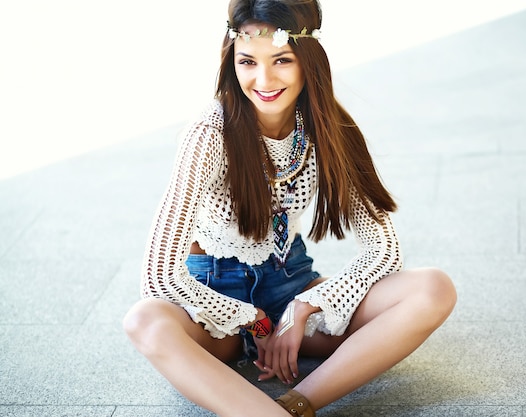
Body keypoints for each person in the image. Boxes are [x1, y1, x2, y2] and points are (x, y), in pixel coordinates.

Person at [123, 0, 457, 416]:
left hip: (290, 282)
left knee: (433, 288)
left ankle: (300, 403)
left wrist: (302, 309)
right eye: (247, 62)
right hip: (212, 300)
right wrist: (253, 320)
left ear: (308, 62)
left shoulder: (331, 130)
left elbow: (383, 251)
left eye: (281, 60)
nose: (263, 79)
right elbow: (158, 276)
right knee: (144, 320)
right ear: (232, 63)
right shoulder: (208, 135)